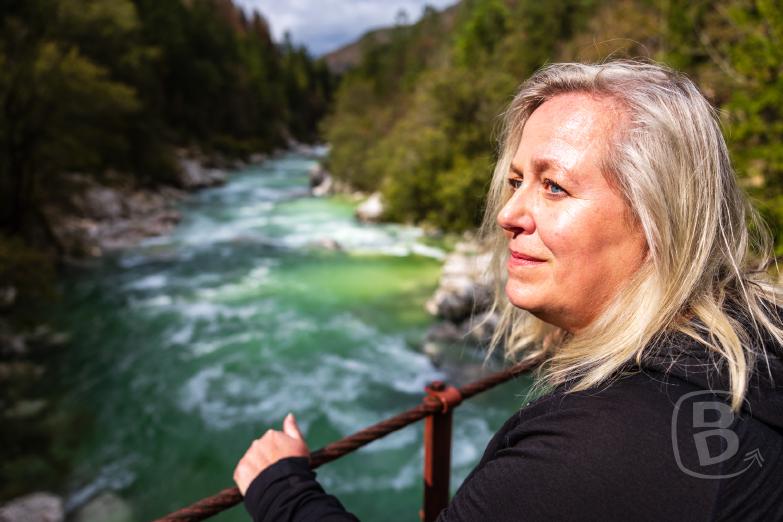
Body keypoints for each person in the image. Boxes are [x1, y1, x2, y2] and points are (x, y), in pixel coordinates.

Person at [233, 60, 783, 521]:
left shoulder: (589, 450)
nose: (508, 213)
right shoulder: (755, 340)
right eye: (517, 181)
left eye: (553, 186)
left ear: (660, 217)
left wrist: (282, 491)